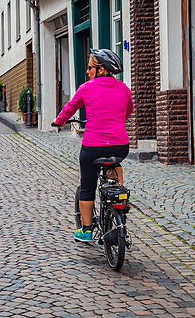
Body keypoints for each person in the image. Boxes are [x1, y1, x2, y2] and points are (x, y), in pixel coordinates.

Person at [52, 48, 134, 242]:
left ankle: (86, 230)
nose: (87, 71)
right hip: (120, 145)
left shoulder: (86, 88)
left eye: (90, 68)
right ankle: (119, 198)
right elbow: (128, 111)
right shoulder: (124, 88)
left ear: (101, 70)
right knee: (114, 165)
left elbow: (70, 108)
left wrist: (59, 121)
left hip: (93, 146)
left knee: (88, 187)